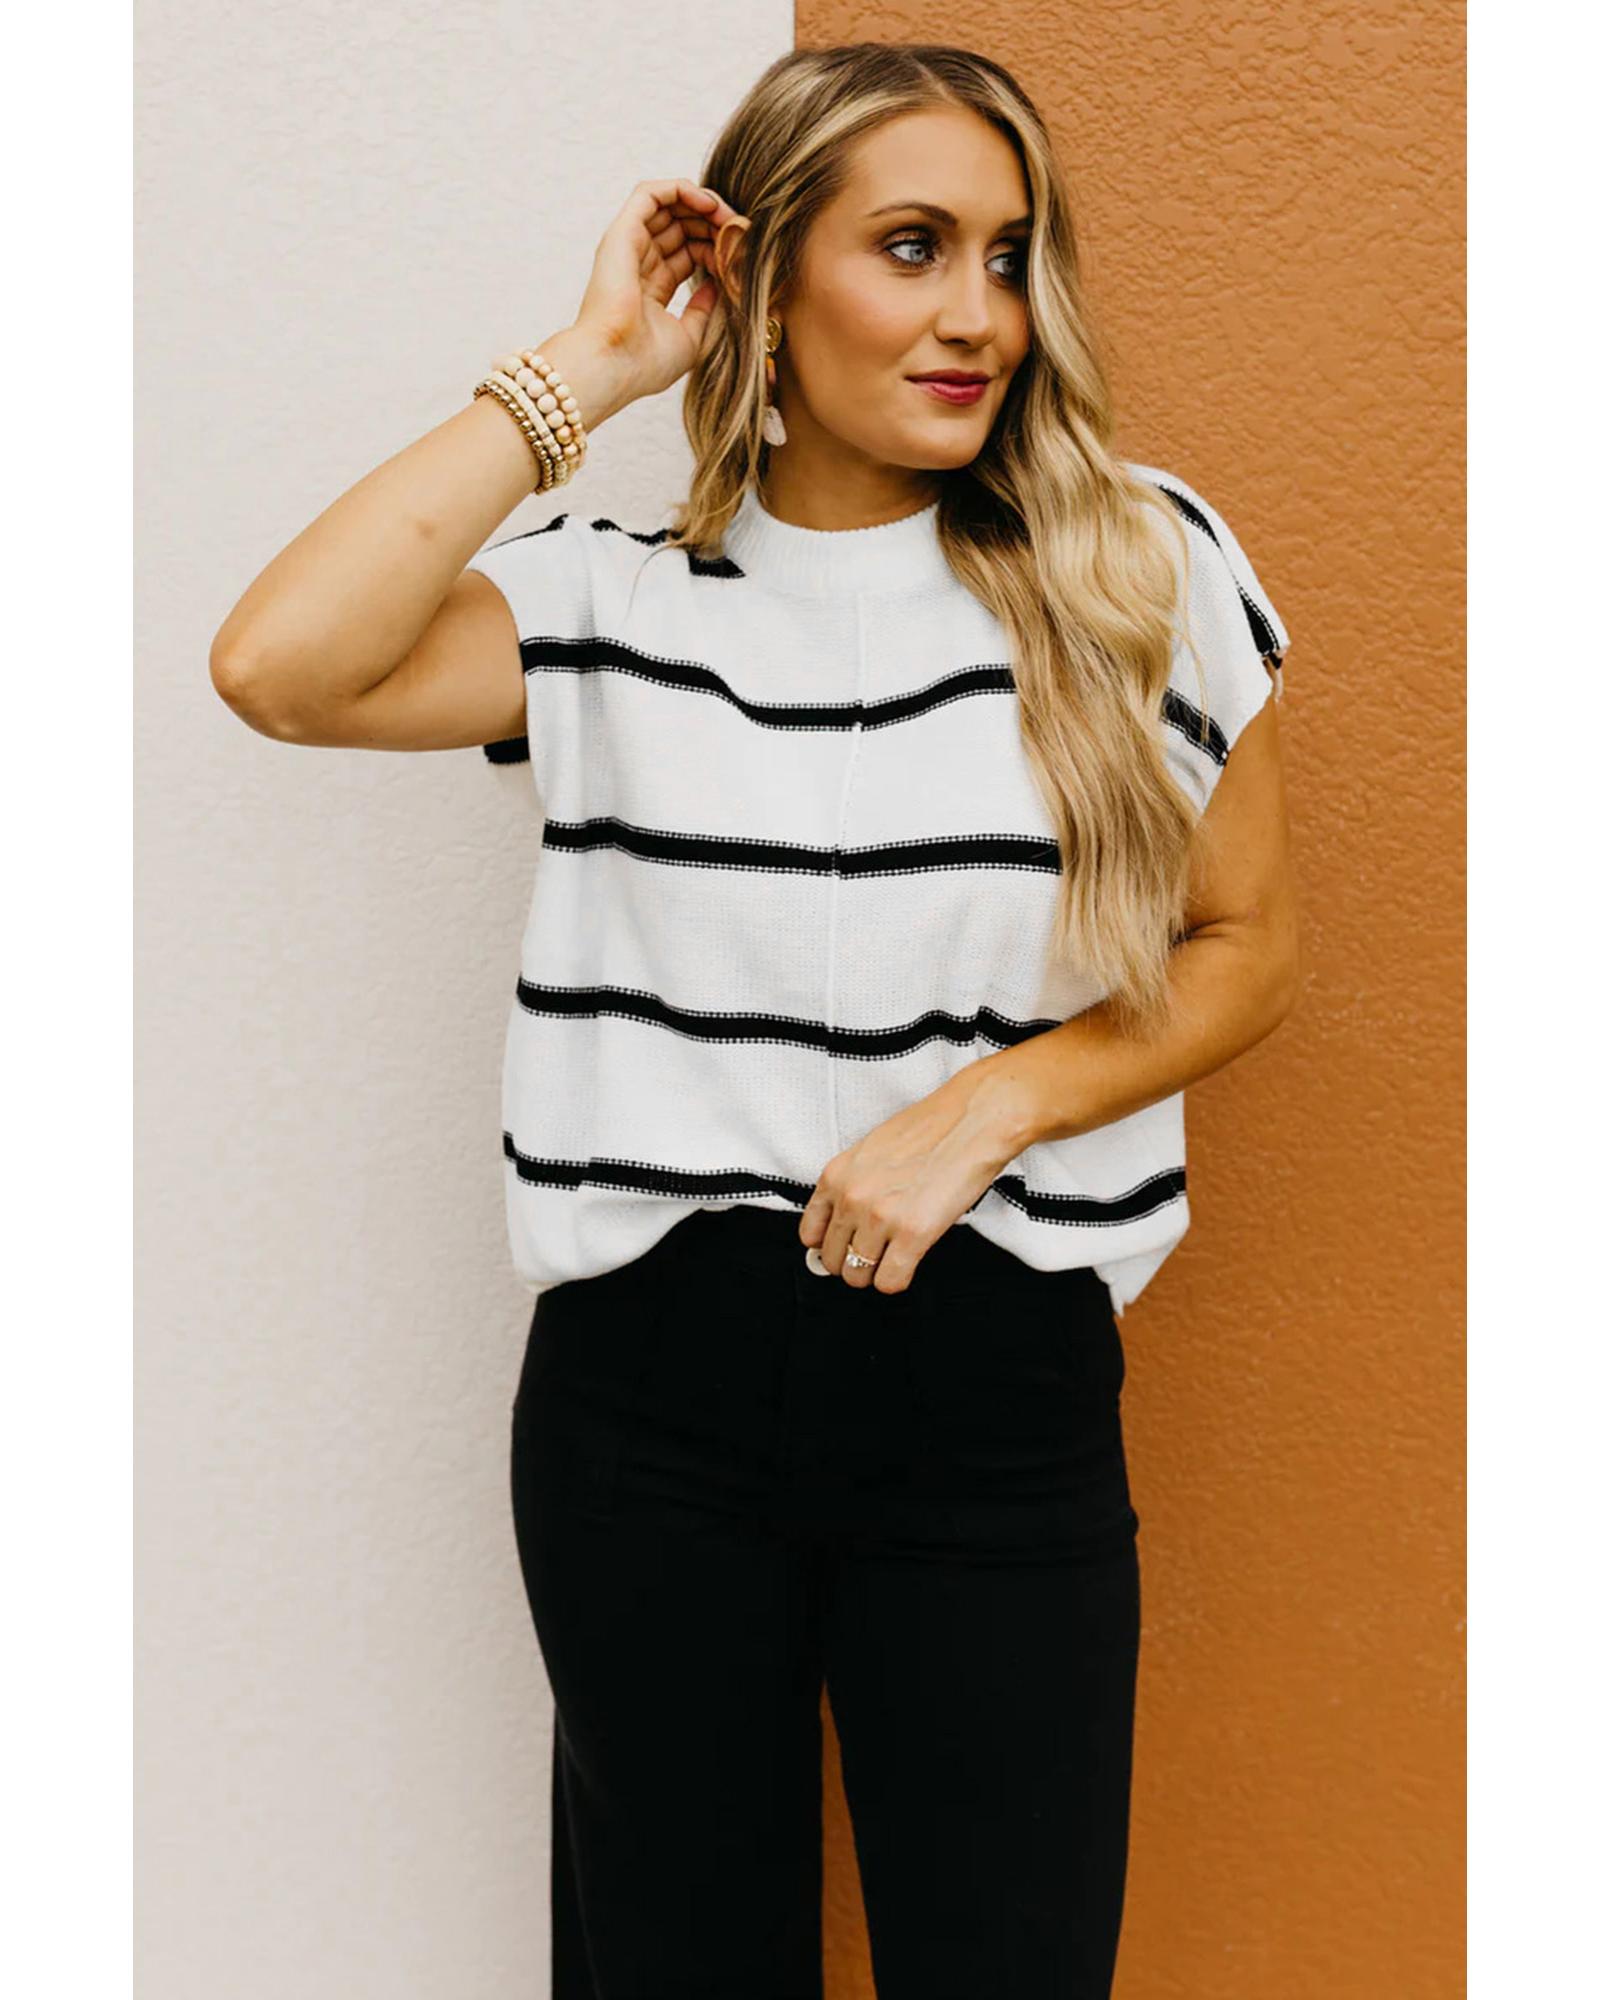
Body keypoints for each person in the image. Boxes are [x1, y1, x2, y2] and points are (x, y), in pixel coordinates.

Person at [210, 40, 1298, 2000]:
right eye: (912, 246)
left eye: (1008, 253)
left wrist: (987, 1110)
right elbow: (280, 666)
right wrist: (589, 368)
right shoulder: (609, 607)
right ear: (767, 280)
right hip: (653, 1399)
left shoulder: (1135, 568)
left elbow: (1244, 942)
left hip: (992, 1381)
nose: (978, 313)